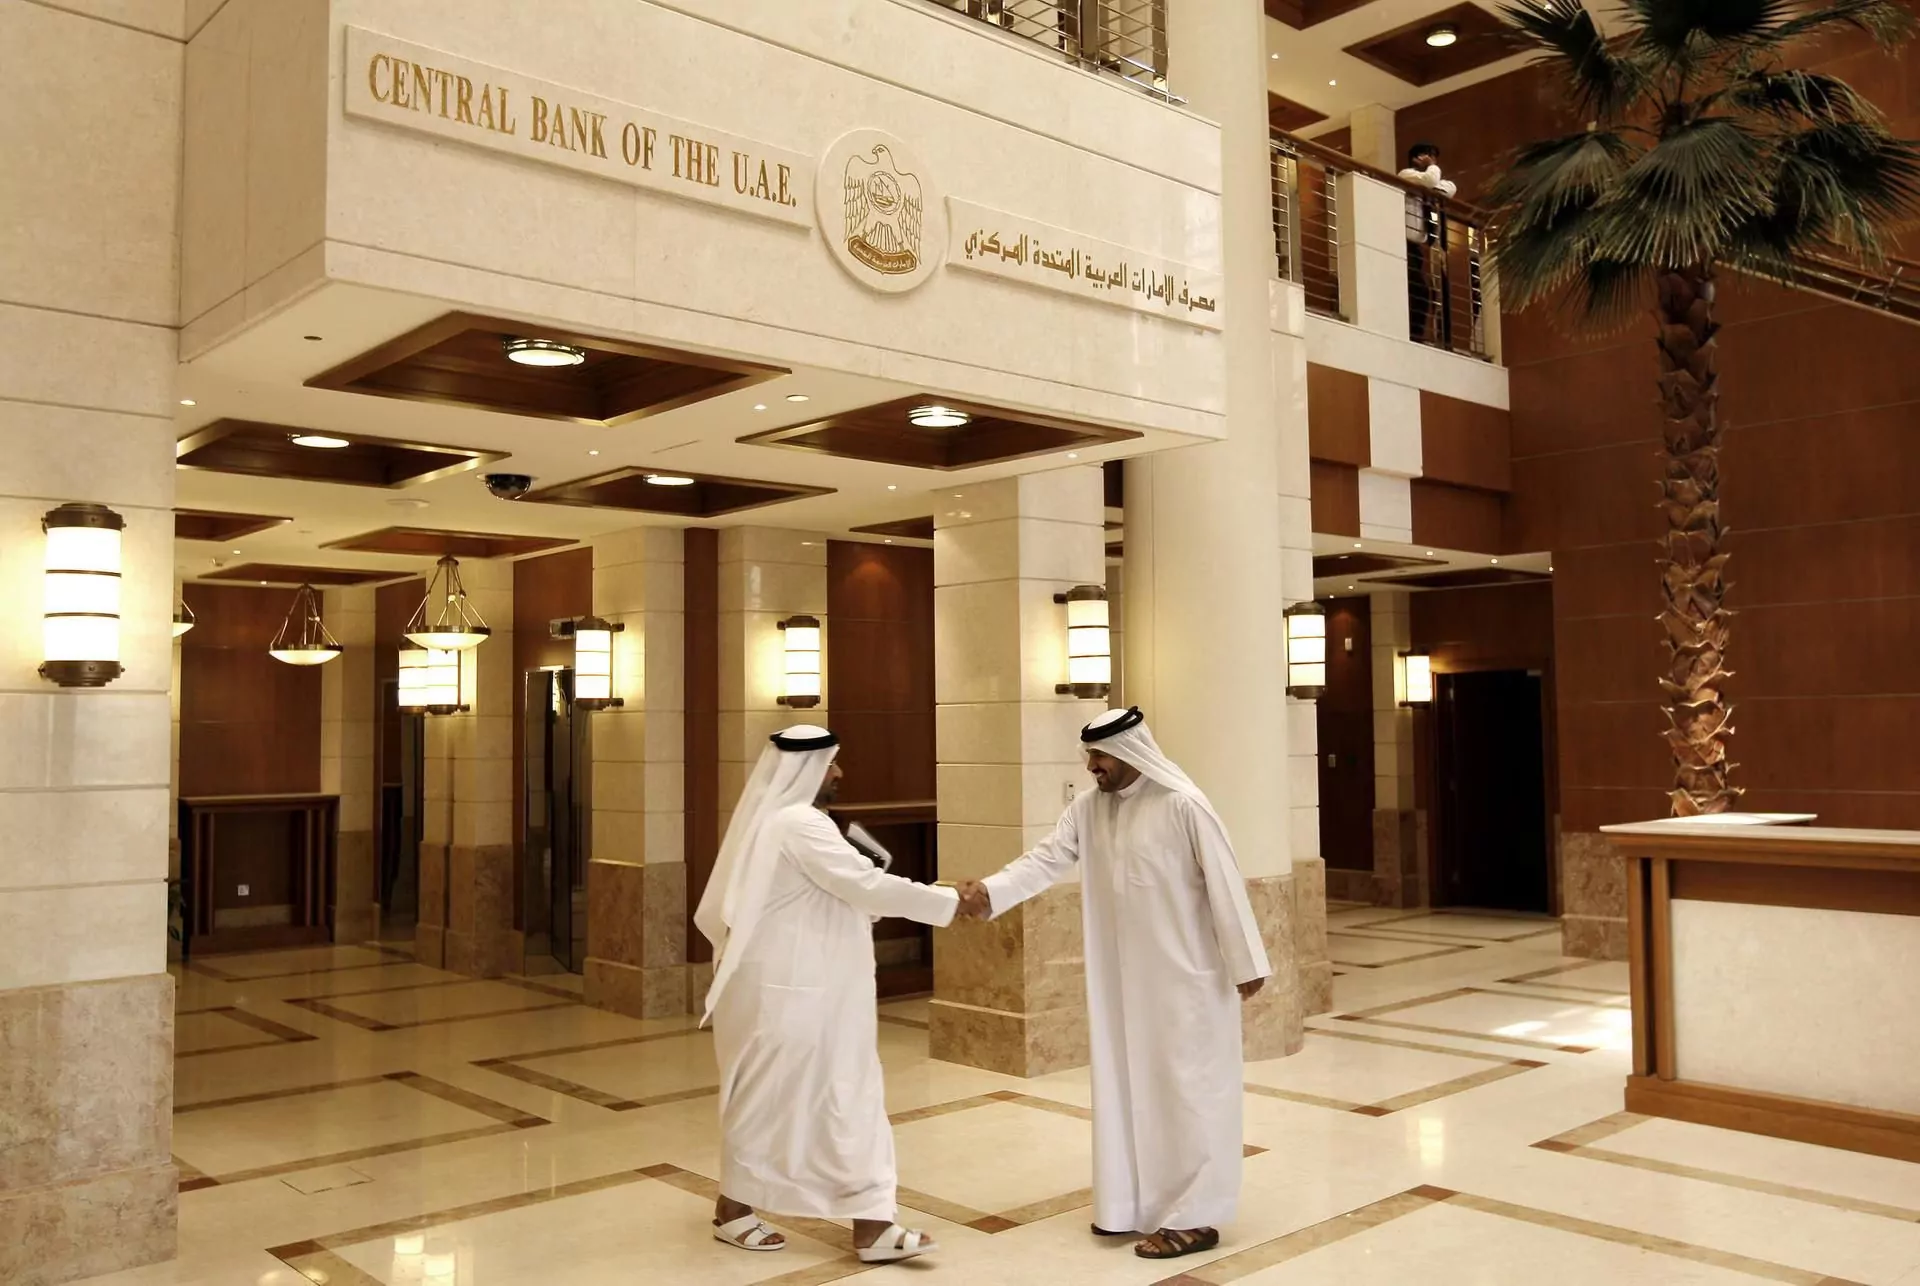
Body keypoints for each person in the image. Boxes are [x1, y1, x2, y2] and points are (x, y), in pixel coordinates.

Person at [954, 707, 1271, 1262]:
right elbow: (1046, 859)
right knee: (1128, 1092)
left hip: (1185, 982)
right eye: (1089, 755)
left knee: (1189, 1095)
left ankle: (1195, 1218)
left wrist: (1246, 963)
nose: (1092, 766)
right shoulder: (1087, 809)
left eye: (1100, 756)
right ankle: (1128, 1204)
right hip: (1121, 985)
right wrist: (990, 891)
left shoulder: (1183, 804)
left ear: (1129, 752)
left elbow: (1224, 881)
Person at [695, 726, 958, 1265]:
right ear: (808, 769)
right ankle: (750, 1211)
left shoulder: (784, 821)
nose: (839, 773)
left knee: (826, 1100)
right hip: (793, 995)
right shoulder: (798, 823)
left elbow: (845, 890)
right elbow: (865, 886)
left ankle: (866, 1222)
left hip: (808, 992)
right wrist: (953, 901)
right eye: (832, 764)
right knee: (788, 1101)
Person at [1399, 141, 1457, 343]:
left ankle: (1415, 334)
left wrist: (1431, 180)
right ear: (1416, 159)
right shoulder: (1406, 175)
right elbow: (1431, 181)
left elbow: (1449, 189)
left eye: (1434, 159)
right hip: (1402, 244)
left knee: (1421, 292)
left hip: (1416, 248)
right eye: (1429, 157)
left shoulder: (1427, 182)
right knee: (1418, 291)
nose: (1433, 162)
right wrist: (1431, 170)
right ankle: (1412, 335)